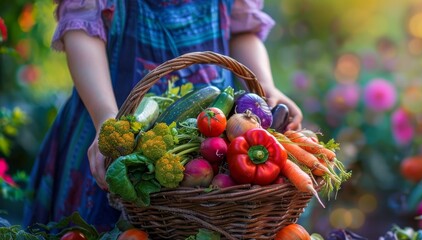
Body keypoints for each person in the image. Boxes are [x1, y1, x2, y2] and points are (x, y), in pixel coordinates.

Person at [23, 0, 303, 231]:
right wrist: (107, 121)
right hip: (113, 113)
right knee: (104, 224)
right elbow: (82, 30)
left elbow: (241, 28)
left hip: (211, 131)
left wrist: (266, 87)